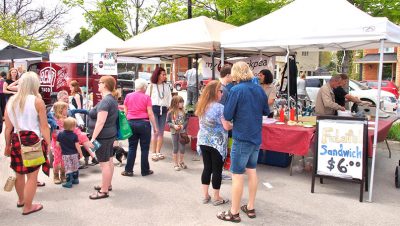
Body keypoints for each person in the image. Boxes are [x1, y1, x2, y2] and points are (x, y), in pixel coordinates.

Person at [217, 62, 269, 223]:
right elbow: (266, 111)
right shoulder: (259, 89)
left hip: (242, 137)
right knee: (252, 171)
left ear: (235, 74)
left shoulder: (236, 90)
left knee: (237, 175)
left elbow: (227, 113)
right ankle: (250, 207)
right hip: (256, 136)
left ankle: (234, 212)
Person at [4, 72, 50, 215]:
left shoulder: (11, 101)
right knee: (32, 176)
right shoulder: (37, 101)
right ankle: (28, 207)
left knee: (19, 173)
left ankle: (21, 200)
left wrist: (7, 145)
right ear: (35, 84)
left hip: (16, 140)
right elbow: (44, 126)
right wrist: (49, 144)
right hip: (32, 141)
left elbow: (8, 128)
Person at [196, 80, 232, 206]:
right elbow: (226, 126)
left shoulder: (201, 105)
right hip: (216, 143)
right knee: (217, 170)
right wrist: (234, 124)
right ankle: (217, 197)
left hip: (203, 141)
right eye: (220, 91)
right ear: (214, 92)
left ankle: (205, 196)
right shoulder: (220, 108)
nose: (222, 93)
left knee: (207, 168)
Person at [88, 75, 119, 200]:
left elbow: (100, 122)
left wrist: (93, 138)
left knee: (104, 163)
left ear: (105, 85)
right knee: (109, 160)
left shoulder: (106, 101)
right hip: (109, 134)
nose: (98, 84)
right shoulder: (111, 99)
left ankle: (104, 191)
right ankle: (107, 184)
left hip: (103, 136)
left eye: (100, 82)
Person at [121, 78, 158, 177]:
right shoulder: (147, 98)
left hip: (131, 123)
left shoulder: (128, 96)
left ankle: (128, 170)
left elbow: (125, 112)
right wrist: (155, 127)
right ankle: (145, 170)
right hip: (144, 124)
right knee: (145, 148)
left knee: (132, 147)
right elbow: (150, 114)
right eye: (146, 87)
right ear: (143, 87)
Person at [146, 67, 172, 162]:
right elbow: (147, 98)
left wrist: (169, 107)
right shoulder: (151, 86)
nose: (165, 76)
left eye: (165, 74)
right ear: (158, 75)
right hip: (154, 109)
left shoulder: (167, 86)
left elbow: (170, 97)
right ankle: (153, 152)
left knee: (161, 132)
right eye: (163, 74)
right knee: (155, 131)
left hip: (164, 109)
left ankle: (158, 151)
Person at [57, 117, 83, 188]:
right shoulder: (74, 135)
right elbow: (77, 146)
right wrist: (80, 153)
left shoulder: (60, 134)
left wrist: (62, 145)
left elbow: (57, 144)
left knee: (68, 168)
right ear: (72, 127)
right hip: (74, 154)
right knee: (75, 166)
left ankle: (69, 182)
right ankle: (75, 179)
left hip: (65, 155)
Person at [167, 95, 188, 171]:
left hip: (182, 132)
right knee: (175, 148)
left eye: (183, 102)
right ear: (175, 103)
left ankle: (181, 162)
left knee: (182, 148)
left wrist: (183, 126)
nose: (182, 104)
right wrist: (173, 126)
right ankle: (175, 164)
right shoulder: (170, 112)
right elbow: (168, 122)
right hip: (174, 132)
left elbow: (186, 120)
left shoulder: (184, 111)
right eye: (181, 102)